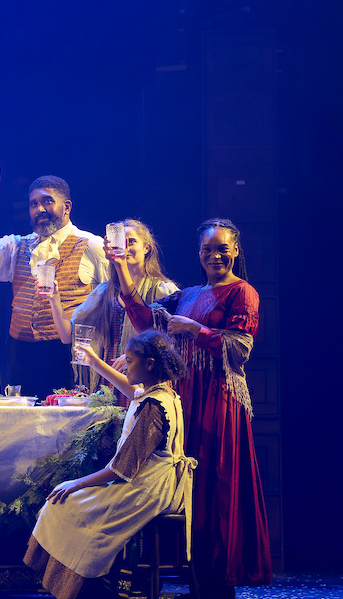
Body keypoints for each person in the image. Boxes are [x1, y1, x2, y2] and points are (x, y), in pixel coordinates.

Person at [119, 218, 270, 598]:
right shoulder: (187, 295)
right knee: (192, 487)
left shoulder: (242, 292)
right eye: (207, 250)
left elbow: (239, 349)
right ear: (199, 253)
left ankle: (220, 581)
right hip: (189, 398)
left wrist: (194, 330)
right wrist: (120, 266)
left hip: (220, 401)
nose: (215, 256)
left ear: (235, 250)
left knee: (217, 483)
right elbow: (145, 319)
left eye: (222, 249)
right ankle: (198, 577)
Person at [25, 330, 196, 599]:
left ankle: (91, 585)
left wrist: (76, 483)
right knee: (70, 502)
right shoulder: (160, 394)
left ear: (149, 364)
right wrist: (94, 361)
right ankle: (90, 582)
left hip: (149, 488)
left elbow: (121, 470)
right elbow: (130, 389)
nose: (125, 367)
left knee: (67, 504)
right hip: (149, 480)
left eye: (129, 361)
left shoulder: (153, 408)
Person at [0, 164, 108, 397]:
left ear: (67, 207)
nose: (39, 209)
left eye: (47, 201)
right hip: (21, 354)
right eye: (33, 204)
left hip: (68, 354)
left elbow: (113, 299)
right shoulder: (18, 246)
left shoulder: (91, 246)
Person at [48, 219, 178, 404]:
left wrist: (134, 354)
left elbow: (174, 342)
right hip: (108, 382)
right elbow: (67, 335)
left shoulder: (162, 290)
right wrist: (53, 298)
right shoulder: (104, 292)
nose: (125, 248)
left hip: (144, 383)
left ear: (146, 248)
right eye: (120, 243)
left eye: (131, 242)